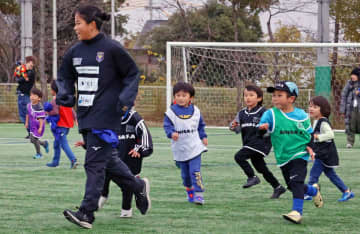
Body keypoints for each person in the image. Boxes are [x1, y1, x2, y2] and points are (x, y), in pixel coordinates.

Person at [56, 5, 150, 229]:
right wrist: (65, 93)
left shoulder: (112, 49)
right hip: (86, 116)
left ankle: (87, 212)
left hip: (107, 115)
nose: (75, 27)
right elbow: (64, 76)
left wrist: (126, 97)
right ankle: (138, 187)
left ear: (92, 24)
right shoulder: (74, 51)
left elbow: (132, 73)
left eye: (78, 23)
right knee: (107, 163)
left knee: (94, 164)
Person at [258, 81, 323, 224]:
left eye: (279, 95)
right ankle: (313, 191)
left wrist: (310, 147)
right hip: (283, 157)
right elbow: (260, 130)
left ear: (291, 99)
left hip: (299, 154)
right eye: (273, 95)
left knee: (296, 181)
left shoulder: (302, 116)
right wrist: (262, 128)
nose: (275, 98)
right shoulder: (270, 114)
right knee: (293, 186)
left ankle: (296, 212)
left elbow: (309, 134)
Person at [94, 108, 153, 217]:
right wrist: (88, 144)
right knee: (105, 172)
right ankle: (102, 196)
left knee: (127, 183)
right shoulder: (109, 116)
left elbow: (145, 135)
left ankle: (126, 210)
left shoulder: (134, 118)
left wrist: (140, 149)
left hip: (131, 156)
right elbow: (101, 134)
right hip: (114, 155)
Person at [229, 85, 286, 199]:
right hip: (249, 144)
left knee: (239, 157)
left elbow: (274, 125)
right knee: (261, 168)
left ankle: (252, 177)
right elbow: (236, 128)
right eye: (245, 95)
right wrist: (233, 126)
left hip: (261, 143)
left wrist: (267, 127)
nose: (248, 98)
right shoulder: (241, 113)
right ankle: (278, 187)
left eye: (251, 95)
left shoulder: (265, 112)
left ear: (259, 98)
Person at [163, 82, 208, 205]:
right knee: (185, 176)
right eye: (178, 95)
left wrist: (203, 136)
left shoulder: (196, 111)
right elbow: (167, 126)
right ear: (174, 97)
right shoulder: (170, 112)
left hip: (195, 147)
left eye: (184, 95)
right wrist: (171, 133)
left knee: (195, 171)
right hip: (180, 148)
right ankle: (190, 192)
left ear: (191, 98)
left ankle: (199, 195)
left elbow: (200, 126)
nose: (181, 98)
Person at [305, 96, 354, 202]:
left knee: (314, 174)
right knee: (331, 175)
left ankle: (308, 193)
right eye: (310, 106)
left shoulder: (323, 122)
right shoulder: (316, 121)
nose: (311, 109)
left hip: (325, 155)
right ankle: (346, 192)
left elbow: (331, 134)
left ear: (322, 109)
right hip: (323, 154)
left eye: (315, 107)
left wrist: (318, 137)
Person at [44, 81, 79, 169]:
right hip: (67, 124)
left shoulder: (55, 100)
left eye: (51, 89)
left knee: (63, 144)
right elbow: (71, 109)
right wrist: (75, 118)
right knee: (56, 143)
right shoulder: (65, 98)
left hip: (61, 125)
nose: (50, 90)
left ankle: (73, 160)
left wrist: (47, 112)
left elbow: (55, 112)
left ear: (54, 90)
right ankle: (55, 162)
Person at [14, 56, 36, 138]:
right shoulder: (27, 71)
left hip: (24, 95)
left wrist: (19, 68)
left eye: (32, 63)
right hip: (23, 95)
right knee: (25, 115)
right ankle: (31, 132)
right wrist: (20, 68)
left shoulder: (30, 72)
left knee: (24, 115)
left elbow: (20, 79)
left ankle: (32, 132)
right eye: (30, 63)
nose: (31, 65)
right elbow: (19, 77)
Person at [25, 87, 49, 159]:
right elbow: (27, 114)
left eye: (35, 96)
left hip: (39, 125)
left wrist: (41, 127)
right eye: (31, 95)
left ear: (39, 98)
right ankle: (44, 143)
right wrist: (26, 122)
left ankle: (39, 154)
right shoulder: (29, 105)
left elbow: (41, 118)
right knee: (32, 140)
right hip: (32, 125)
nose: (32, 97)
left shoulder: (39, 107)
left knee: (34, 139)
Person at [340, 68, 360, 148]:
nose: (352, 76)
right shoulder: (349, 84)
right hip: (351, 109)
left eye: (354, 75)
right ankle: (350, 142)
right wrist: (343, 109)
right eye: (352, 75)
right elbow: (343, 95)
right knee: (350, 126)